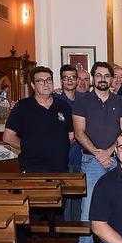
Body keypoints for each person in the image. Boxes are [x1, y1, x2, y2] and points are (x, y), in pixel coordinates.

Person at [72, 61, 122, 243]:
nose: (102, 79)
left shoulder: (120, 101)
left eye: (106, 76)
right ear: (94, 78)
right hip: (91, 160)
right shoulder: (82, 102)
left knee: (120, 204)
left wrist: (110, 152)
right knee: (88, 206)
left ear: (112, 79)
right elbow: (79, 133)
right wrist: (98, 153)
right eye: (99, 75)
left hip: (117, 159)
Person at [3, 66, 73, 173]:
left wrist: (58, 146)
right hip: (33, 169)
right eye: (40, 81)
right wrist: (30, 147)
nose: (46, 83)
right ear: (33, 85)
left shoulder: (63, 106)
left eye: (48, 80)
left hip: (60, 168)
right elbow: (8, 137)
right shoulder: (22, 107)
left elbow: (72, 134)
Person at [54, 64, 87, 222]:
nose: (69, 80)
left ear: (76, 80)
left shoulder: (83, 98)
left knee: (80, 197)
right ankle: (65, 234)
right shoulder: (55, 99)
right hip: (63, 156)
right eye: (66, 77)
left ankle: (78, 234)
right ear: (61, 81)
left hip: (81, 155)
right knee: (65, 197)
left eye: (72, 77)